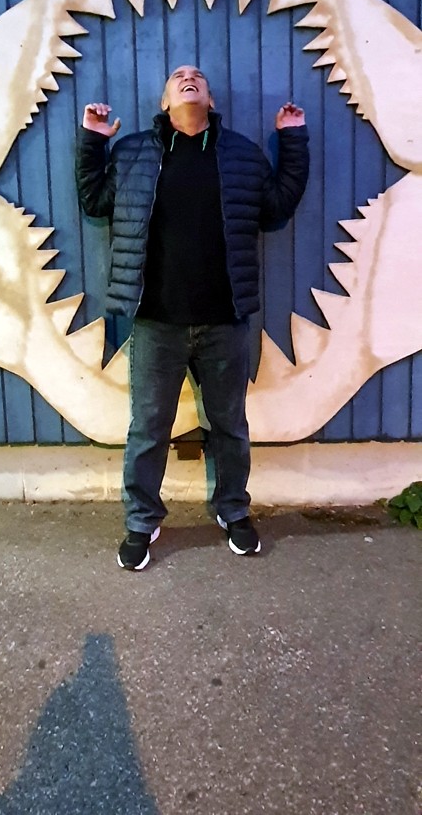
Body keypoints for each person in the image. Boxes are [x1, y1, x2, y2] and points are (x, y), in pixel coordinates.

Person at [76, 65, 309, 570]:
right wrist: (92, 141)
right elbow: (94, 201)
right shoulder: (132, 153)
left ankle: (233, 510)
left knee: (230, 426)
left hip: (225, 321)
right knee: (149, 428)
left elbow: (276, 208)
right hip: (155, 322)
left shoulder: (242, 154)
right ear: (165, 101)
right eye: (179, 75)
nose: (189, 77)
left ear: (210, 99)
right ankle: (142, 521)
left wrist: (292, 141)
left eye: (197, 75)